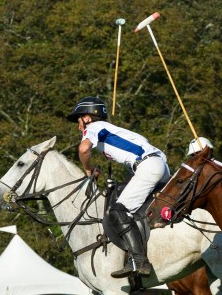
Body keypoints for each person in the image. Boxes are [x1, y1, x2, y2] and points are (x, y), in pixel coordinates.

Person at [67, 96, 170, 278]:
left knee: (117, 211)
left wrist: (88, 169)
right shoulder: (117, 131)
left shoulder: (94, 127)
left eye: (79, 121)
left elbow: (83, 150)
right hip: (160, 166)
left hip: (147, 167)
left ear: (88, 118)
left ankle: (138, 260)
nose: (79, 127)